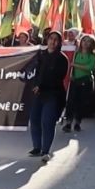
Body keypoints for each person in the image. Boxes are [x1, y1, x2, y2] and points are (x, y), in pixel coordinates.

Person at [27, 31, 69, 163]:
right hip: (38, 93)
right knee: (34, 120)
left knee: (47, 122)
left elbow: (58, 78)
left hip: (53, 94)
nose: (53, 42)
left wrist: (42, 85)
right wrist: (35, 85)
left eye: (56, 40)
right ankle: (37, 147)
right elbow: (34, 72)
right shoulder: (40, 55)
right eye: (51, 38)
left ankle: (46, 151)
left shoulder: (62, 59)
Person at [63, 35, 95, 132]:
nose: (86, 43)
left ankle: (78, 122)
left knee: (81, 103)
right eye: (84, 41)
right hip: (74, 80)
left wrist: (75, 64)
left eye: (88, 41)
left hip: (85, 81)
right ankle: (68, 122)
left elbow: (89, 68)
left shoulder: (93, 56)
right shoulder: (76, 54)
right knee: (71, 102)